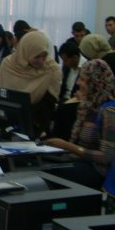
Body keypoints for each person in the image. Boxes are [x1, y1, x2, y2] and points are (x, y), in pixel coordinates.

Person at [44, 59, 115, 191]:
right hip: (81, 162)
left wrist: (68, 146)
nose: (78, 83)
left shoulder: (109, 111)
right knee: (39, 166)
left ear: (95, 83)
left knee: (48, 174)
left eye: (83, 79)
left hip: (98, 171)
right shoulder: (89, 106)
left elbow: (107, 157)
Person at [0, 31, 61, 137]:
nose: (41, 61)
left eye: (44, 56)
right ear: (25, 52)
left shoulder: (51, 69)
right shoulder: (8, 65)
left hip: (36, 126)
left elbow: (49, 104)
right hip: (6, 122)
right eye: (36, 57)